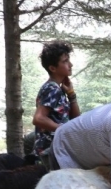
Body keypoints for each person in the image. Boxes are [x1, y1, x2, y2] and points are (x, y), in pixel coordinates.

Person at [32, 40, 81, 169]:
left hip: (57, 150)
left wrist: (71, 94)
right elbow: (38, 118)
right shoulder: (51, 89)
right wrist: (64, 130)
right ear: (52, 68)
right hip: (50, 152)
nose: (70, 64)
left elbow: (76, 120)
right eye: (65, 61)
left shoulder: (58, 90)